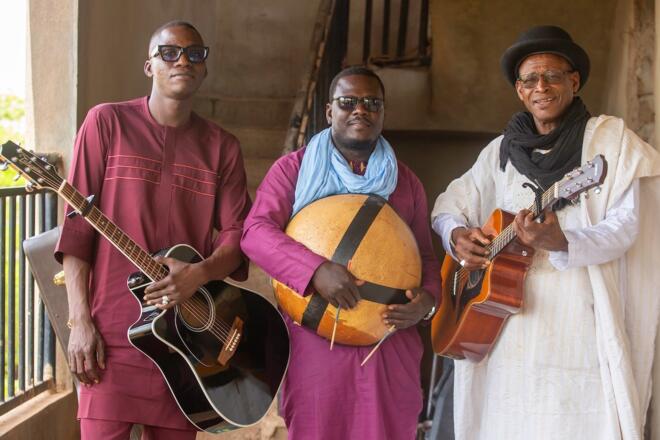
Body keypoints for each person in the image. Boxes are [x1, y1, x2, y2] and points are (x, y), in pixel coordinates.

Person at [431, 25, 660, 439]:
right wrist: (457, 235)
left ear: (574, 82)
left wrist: (564, 242)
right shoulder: (500, 152)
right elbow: (449, 203)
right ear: (520, 91)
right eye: (531, 79)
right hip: (504, 328)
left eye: (553, 76)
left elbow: (627, 227)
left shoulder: (609, 142)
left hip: (578, 321)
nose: (542, 87)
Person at [55, 20, 251, 439]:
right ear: (149, 66)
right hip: (110, 337)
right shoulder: (106, 123)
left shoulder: (223, 148)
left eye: (194, 54)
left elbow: (237, 237)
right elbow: (76, 233)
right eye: (169, 53)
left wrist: (198, 273)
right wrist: (79, 321)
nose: (183, 61)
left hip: (185, 342)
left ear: (204, 68)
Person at [240, 66, 441, 439]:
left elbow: (425, 258)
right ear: (329, 111)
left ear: (383, 112)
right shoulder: (294, 169)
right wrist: (315, 270)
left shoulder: (405, 182)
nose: (360, 110)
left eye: (372, 103)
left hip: (388, 340)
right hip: (315, 336)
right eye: (348, 101)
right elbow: (256, 233)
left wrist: (427, 302)